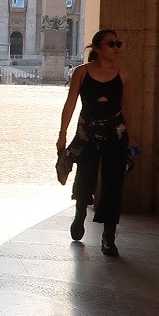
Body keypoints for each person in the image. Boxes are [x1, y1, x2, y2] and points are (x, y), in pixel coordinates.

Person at [57, 28, 141, 256]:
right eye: (111, 44)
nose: (116, 48)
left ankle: (109, 235)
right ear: (97, 48)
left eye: (118, 44)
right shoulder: (81, 73)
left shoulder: (123, 75)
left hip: (115, 131)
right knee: (86, 174)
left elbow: (126, 108)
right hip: (89, 130)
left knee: (114, 182)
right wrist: (62, 133)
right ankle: (80, 211)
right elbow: (71, 103)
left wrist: (131, 134)